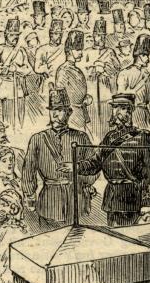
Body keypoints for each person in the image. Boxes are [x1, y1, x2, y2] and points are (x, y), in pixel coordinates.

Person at [77, 93, 150, 228]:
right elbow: (95, 163)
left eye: (121, 107)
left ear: (130, 110)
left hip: (132, 198)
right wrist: (76, 167)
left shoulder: (143, 138)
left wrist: (147, 202)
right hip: (112, 199)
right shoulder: (109, 138)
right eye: (114, 107)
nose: (116, 111)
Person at [20, 89, 97, 229]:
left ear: (69, 112)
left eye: (60, 110)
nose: (55, 114)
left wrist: (84, 180)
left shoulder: (81, 137)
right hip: (50, 199)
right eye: (52, 110)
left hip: (77, 199)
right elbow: (28, 169)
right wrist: (29, 194)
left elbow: (94, 166)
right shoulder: (38, 138)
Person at [114, 35, 150, 133]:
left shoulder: (147, 75)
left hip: (145, 113)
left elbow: (148, 98)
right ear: (140, 56)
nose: (148, 59)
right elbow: (121, 98)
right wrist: (141, 83)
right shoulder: (124, 73)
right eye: (145, 56)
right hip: (132, 114)